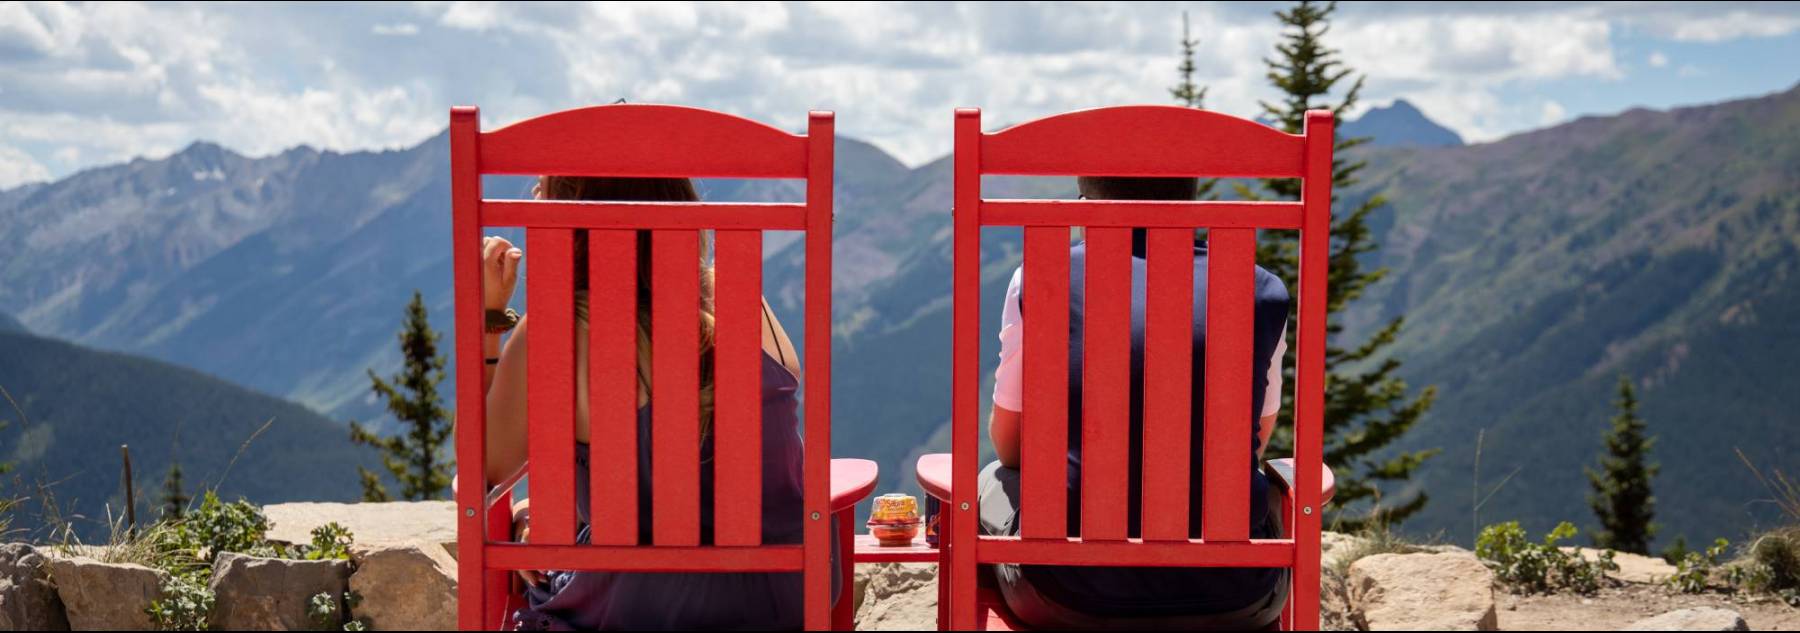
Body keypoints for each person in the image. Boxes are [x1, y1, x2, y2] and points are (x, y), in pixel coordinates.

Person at [473, 176, 818, 630]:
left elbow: (484, 467)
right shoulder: (742, 299)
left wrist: (490, 317)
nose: (533, 195)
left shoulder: (559, 330)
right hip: (787, 593)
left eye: (547, 187)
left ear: (575, 216)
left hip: (638, 607)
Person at [980, 176, 1292, 629]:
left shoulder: (1041, 276)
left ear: (1086, 207)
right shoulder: (1261, 289)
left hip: (1064, 592)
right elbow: (1256, 441)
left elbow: (1010, 446)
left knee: (991, 478)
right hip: (1237, 594)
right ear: (1190, 200)